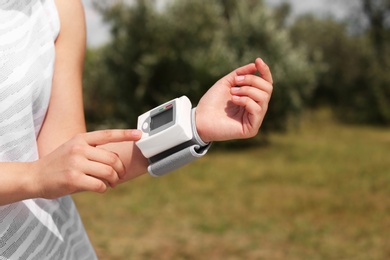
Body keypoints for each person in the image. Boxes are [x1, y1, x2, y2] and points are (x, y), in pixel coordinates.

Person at [0, 0, 273, 259]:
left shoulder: (57, 8)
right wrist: (33, 176)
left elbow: (64, 161)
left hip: (60, 248)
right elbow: (44, 172)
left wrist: (194, 125)